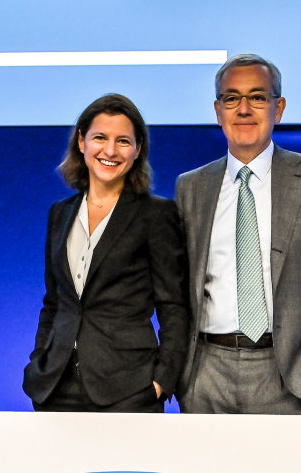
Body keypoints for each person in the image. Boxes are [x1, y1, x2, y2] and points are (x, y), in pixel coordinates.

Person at [174, 54, 301, 414]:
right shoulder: (191, 186)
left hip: (290, 374)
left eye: (257, 97)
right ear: (217, 110)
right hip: (205, 374)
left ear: (279, 108)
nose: (243, 108)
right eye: (231, 98)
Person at [23, 94, 189, 412]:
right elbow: (54, 302)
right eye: (100, 137)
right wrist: (38, 362)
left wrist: (161, 381)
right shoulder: (60, 213)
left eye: (123, 141)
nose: (110, 150)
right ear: (82, 142)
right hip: (55, 386)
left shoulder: (156, 214)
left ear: (138, 149)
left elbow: (174, 307)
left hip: (128, 388)